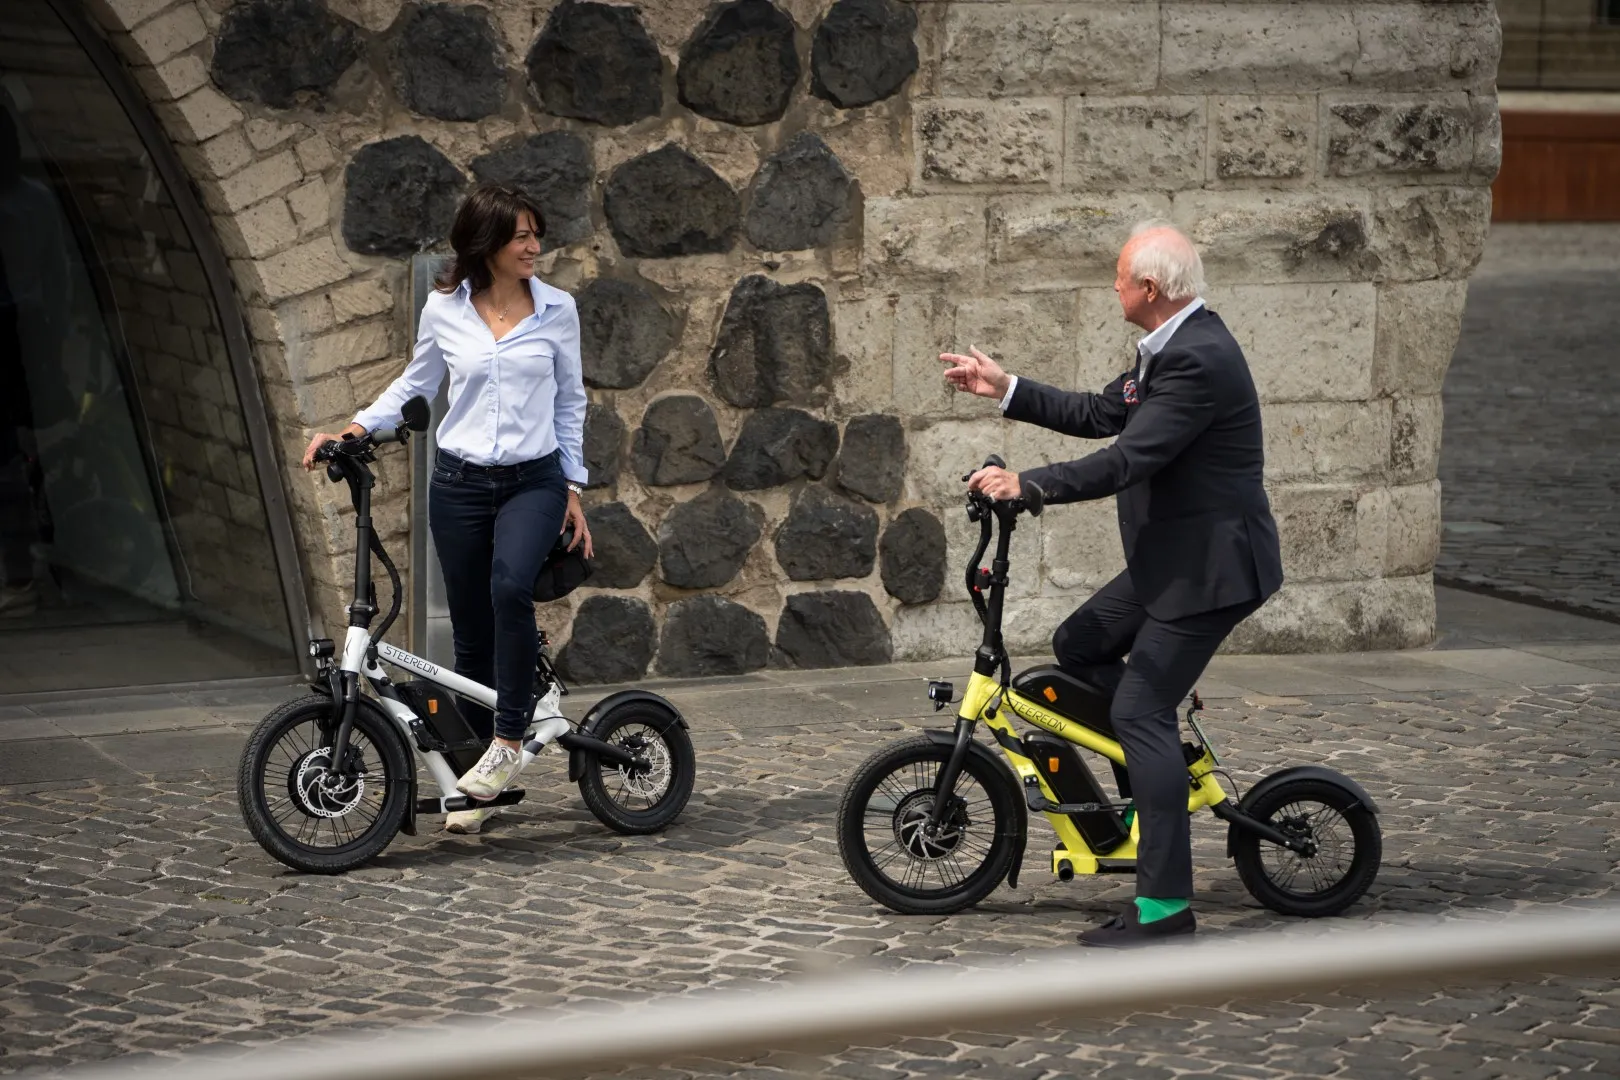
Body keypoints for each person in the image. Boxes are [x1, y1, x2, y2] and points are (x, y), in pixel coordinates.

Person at [941, 221, 1283, 948]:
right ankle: (1150, 788)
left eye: (1120, 278)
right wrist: (1005, 389)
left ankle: (1163, 907)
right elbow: (1101, 414)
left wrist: (1026, 485)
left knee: (1139, 713)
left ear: (1149, 289)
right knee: (1082, 642)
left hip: (1211, 573)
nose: (1114, 288)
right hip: (1174, 560)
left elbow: (1127, 459)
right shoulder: (1167, 347)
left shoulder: (1199, 361)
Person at [303, 184, 592, 836]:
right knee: (470, 633)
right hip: (459, 485)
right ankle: (477, 784)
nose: (534, 246)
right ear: (485, 243)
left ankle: (509, 742)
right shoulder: (444, 310)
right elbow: (417, 383)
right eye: (521, 235)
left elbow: (571, 402)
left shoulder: (558, 310)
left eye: (535, 233)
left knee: (511, 586)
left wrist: (572, 487)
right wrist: (350, 432)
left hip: (533, 481)